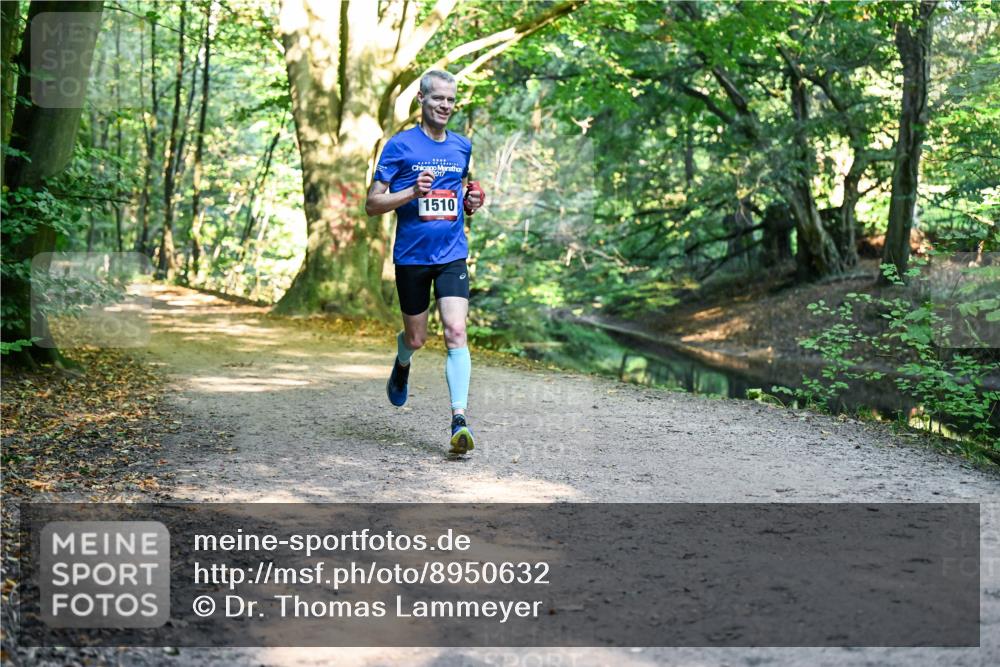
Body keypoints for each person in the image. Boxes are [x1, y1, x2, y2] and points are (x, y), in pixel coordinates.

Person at [365, 70, 485, 456]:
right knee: (418, 338)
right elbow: (372, 204)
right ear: (422, 99)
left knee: (455, 331)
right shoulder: (399, 147)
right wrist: (409, 192)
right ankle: (403, 361)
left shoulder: (462, 147)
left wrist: (472, 203)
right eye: (438, 99)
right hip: (412, 257)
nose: (445, 106)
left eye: (451, 100)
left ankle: (459, 420)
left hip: (452, 253)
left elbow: (461, 197)